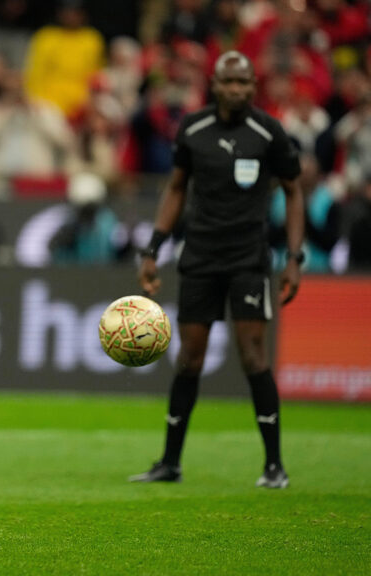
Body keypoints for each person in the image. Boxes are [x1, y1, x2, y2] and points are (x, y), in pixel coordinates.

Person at [132, 51, 303, 489]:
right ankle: (170, 462)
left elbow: (293, 191)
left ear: (253, 87)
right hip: (201, 257)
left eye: (245, 83)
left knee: (252, 356)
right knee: (189, 358)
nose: (238, 91)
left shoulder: (268, 131)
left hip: (248, 258)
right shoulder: (193, 129)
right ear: (215, 84)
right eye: (230, 83)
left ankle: (274, 465)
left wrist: (294, 258)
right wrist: (153, 248)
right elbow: (175, 189)